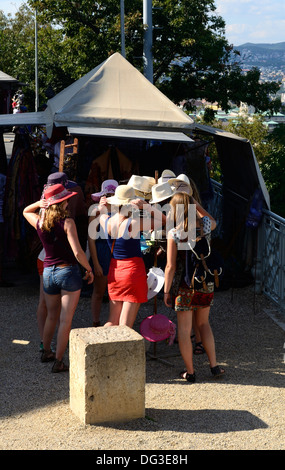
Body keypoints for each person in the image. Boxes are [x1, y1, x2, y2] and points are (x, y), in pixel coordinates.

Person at [23, 183, 94, 373]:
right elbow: (78, 252)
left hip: (48, 272)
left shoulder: (40, 221)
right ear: (63, 203)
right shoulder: (68, 222)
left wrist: (40, 203)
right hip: (68, 271)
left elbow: (25, 211)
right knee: (65, 319)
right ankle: (59, 361)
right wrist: (89, 269)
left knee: (51, 315)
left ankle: (46, 351)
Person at [163, 191, 225, 382]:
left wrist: (166, 291)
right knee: (204, 324)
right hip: (205, 282)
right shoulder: (205, 226)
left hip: (184, 285)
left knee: (184, 329)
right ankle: (214, 366)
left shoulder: (174, 233)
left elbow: (170, 266)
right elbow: (213, 220)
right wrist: (195, 204)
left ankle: (190, 372)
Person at [89, 184, 166, 328]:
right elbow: (163, 221)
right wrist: (147, 207)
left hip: (115, 270)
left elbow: (99, 213)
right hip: (132, 271)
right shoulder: (133, 223)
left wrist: (101, 207)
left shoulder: (105, 220)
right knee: (125, 326)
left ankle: (103, 345)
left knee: (112, 320)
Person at [88, 180, 118, 327]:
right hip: (101, 251)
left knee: (116, 292)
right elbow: (91, 240)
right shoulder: (95, 210)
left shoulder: (122, 209)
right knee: (99, 291)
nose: (109, 196)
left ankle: (114, 321)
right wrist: (95, 262)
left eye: (112, 194)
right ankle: (96, 321)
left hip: (117, 251)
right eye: (107, 194)